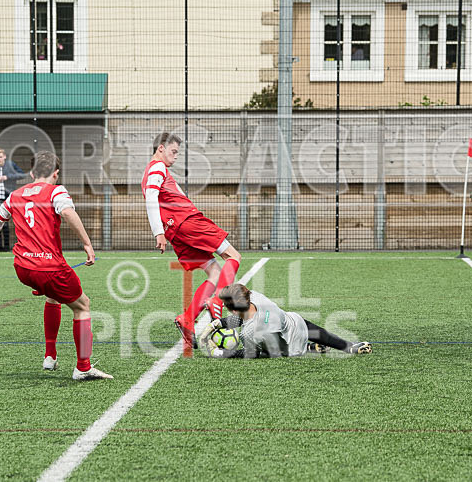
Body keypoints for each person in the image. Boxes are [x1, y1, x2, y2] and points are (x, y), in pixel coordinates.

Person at [0, 150, 112, 381]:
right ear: (56, 174)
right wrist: (87, 244)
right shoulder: (55, 191)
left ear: (31, 173)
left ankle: (50, 355)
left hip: (23, 268)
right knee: (83, 306)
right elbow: (68, 213)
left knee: (53, 297)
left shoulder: (15, 195)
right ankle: (83, 367)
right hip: (48, 267)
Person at [142, 132, 242, 347]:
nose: (176, 156)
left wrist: (162, 230)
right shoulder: (157, 168)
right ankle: (217, 300)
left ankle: (187, 319)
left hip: (176, 230)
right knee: (233, 255)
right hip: (187, 222)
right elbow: (151, 197)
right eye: (173, 151)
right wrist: (157, 231)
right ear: (160, 148)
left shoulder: (155, 171)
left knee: (214, 272)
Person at [198, 283, 372, 359]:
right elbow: (245, 316)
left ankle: (306, 348)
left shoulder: (248, 333)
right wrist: (218, 323)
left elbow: (252, 353)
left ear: (234, 310)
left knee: (267, 353)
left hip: (290, 348)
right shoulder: (257, 296)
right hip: (297, 322)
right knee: (316, 331)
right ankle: (349, 346)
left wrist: (218, 353)